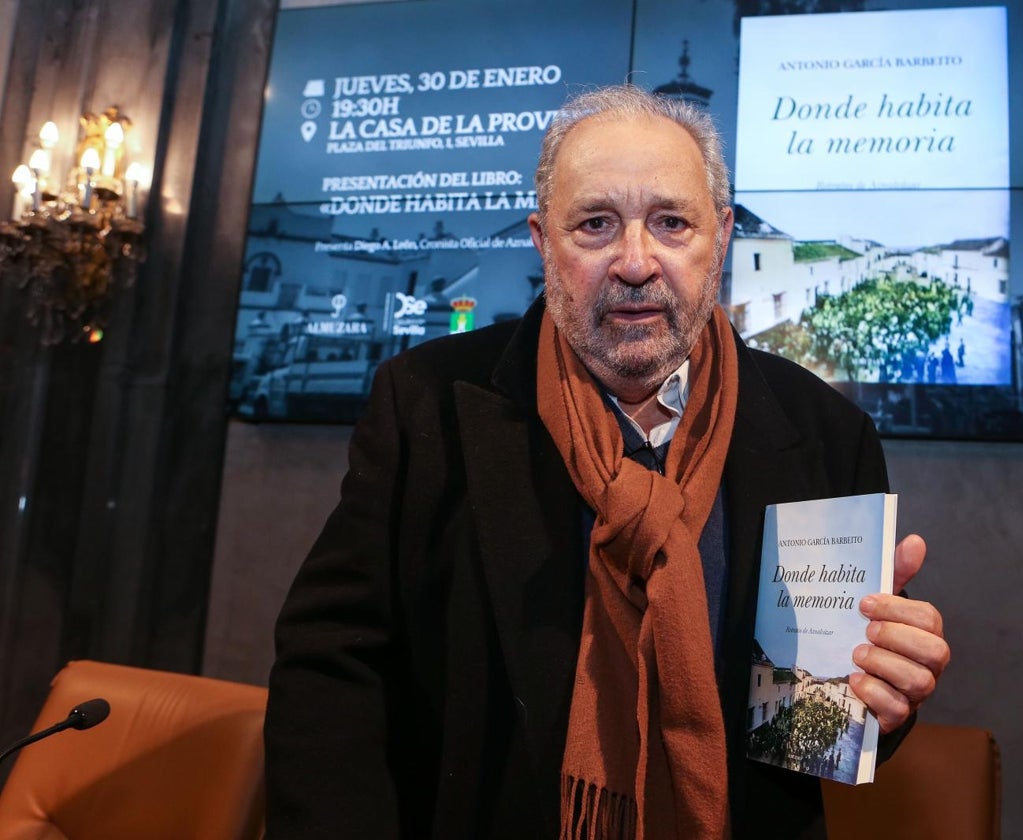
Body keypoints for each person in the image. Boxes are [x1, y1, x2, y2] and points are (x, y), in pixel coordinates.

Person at [264, 85, 950, 839]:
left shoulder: (825, 433)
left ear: (719, 237)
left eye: (671, 222)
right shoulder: (426, 408)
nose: (634, 262)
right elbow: (332, 673)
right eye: (595, 224)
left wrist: (879, 696)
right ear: (541, 240)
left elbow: (812, 736)